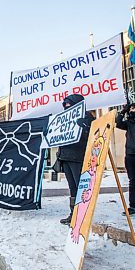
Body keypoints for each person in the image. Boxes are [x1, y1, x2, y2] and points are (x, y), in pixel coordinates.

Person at [57, 94, 95, 225]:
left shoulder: (87, 117)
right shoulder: (63, 118)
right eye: (65, 105)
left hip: (78, 157)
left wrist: (86, 126)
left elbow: (93, 135)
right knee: (72, 187)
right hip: (66, 157)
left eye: (70, 105)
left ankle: (82, 214)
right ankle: (73, 213)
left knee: (80, 186)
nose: (67, 108)